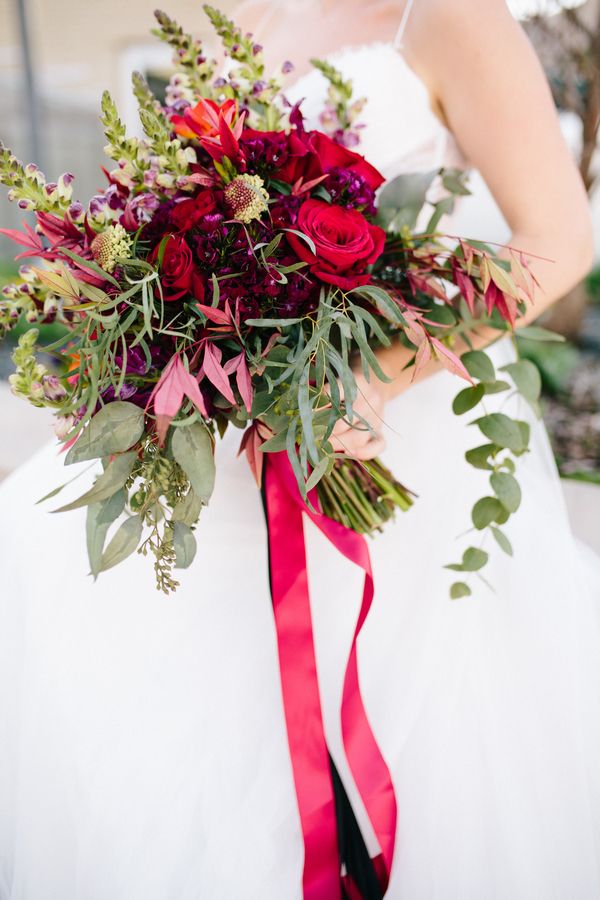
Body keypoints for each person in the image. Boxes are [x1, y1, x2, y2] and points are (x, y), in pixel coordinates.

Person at [0, 1, 599, 897]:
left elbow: (560, 241)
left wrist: (373, 378)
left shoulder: (451, 15)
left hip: (390, 425)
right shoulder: (241, 17)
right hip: (232, 427)